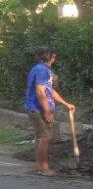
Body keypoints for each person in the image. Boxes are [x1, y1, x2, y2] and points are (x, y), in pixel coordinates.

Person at [25, 47, 75, 176]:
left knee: (41, 137)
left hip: (37, 107)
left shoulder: (42, 69)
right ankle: (44, 169)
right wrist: (47, 111)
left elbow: (50, 91)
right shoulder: (42, 70)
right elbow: (40, 92)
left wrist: (65, 103)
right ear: (53, 57)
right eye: (54, 56)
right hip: (38, 108)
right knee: (45, 137)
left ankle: (39, 167)